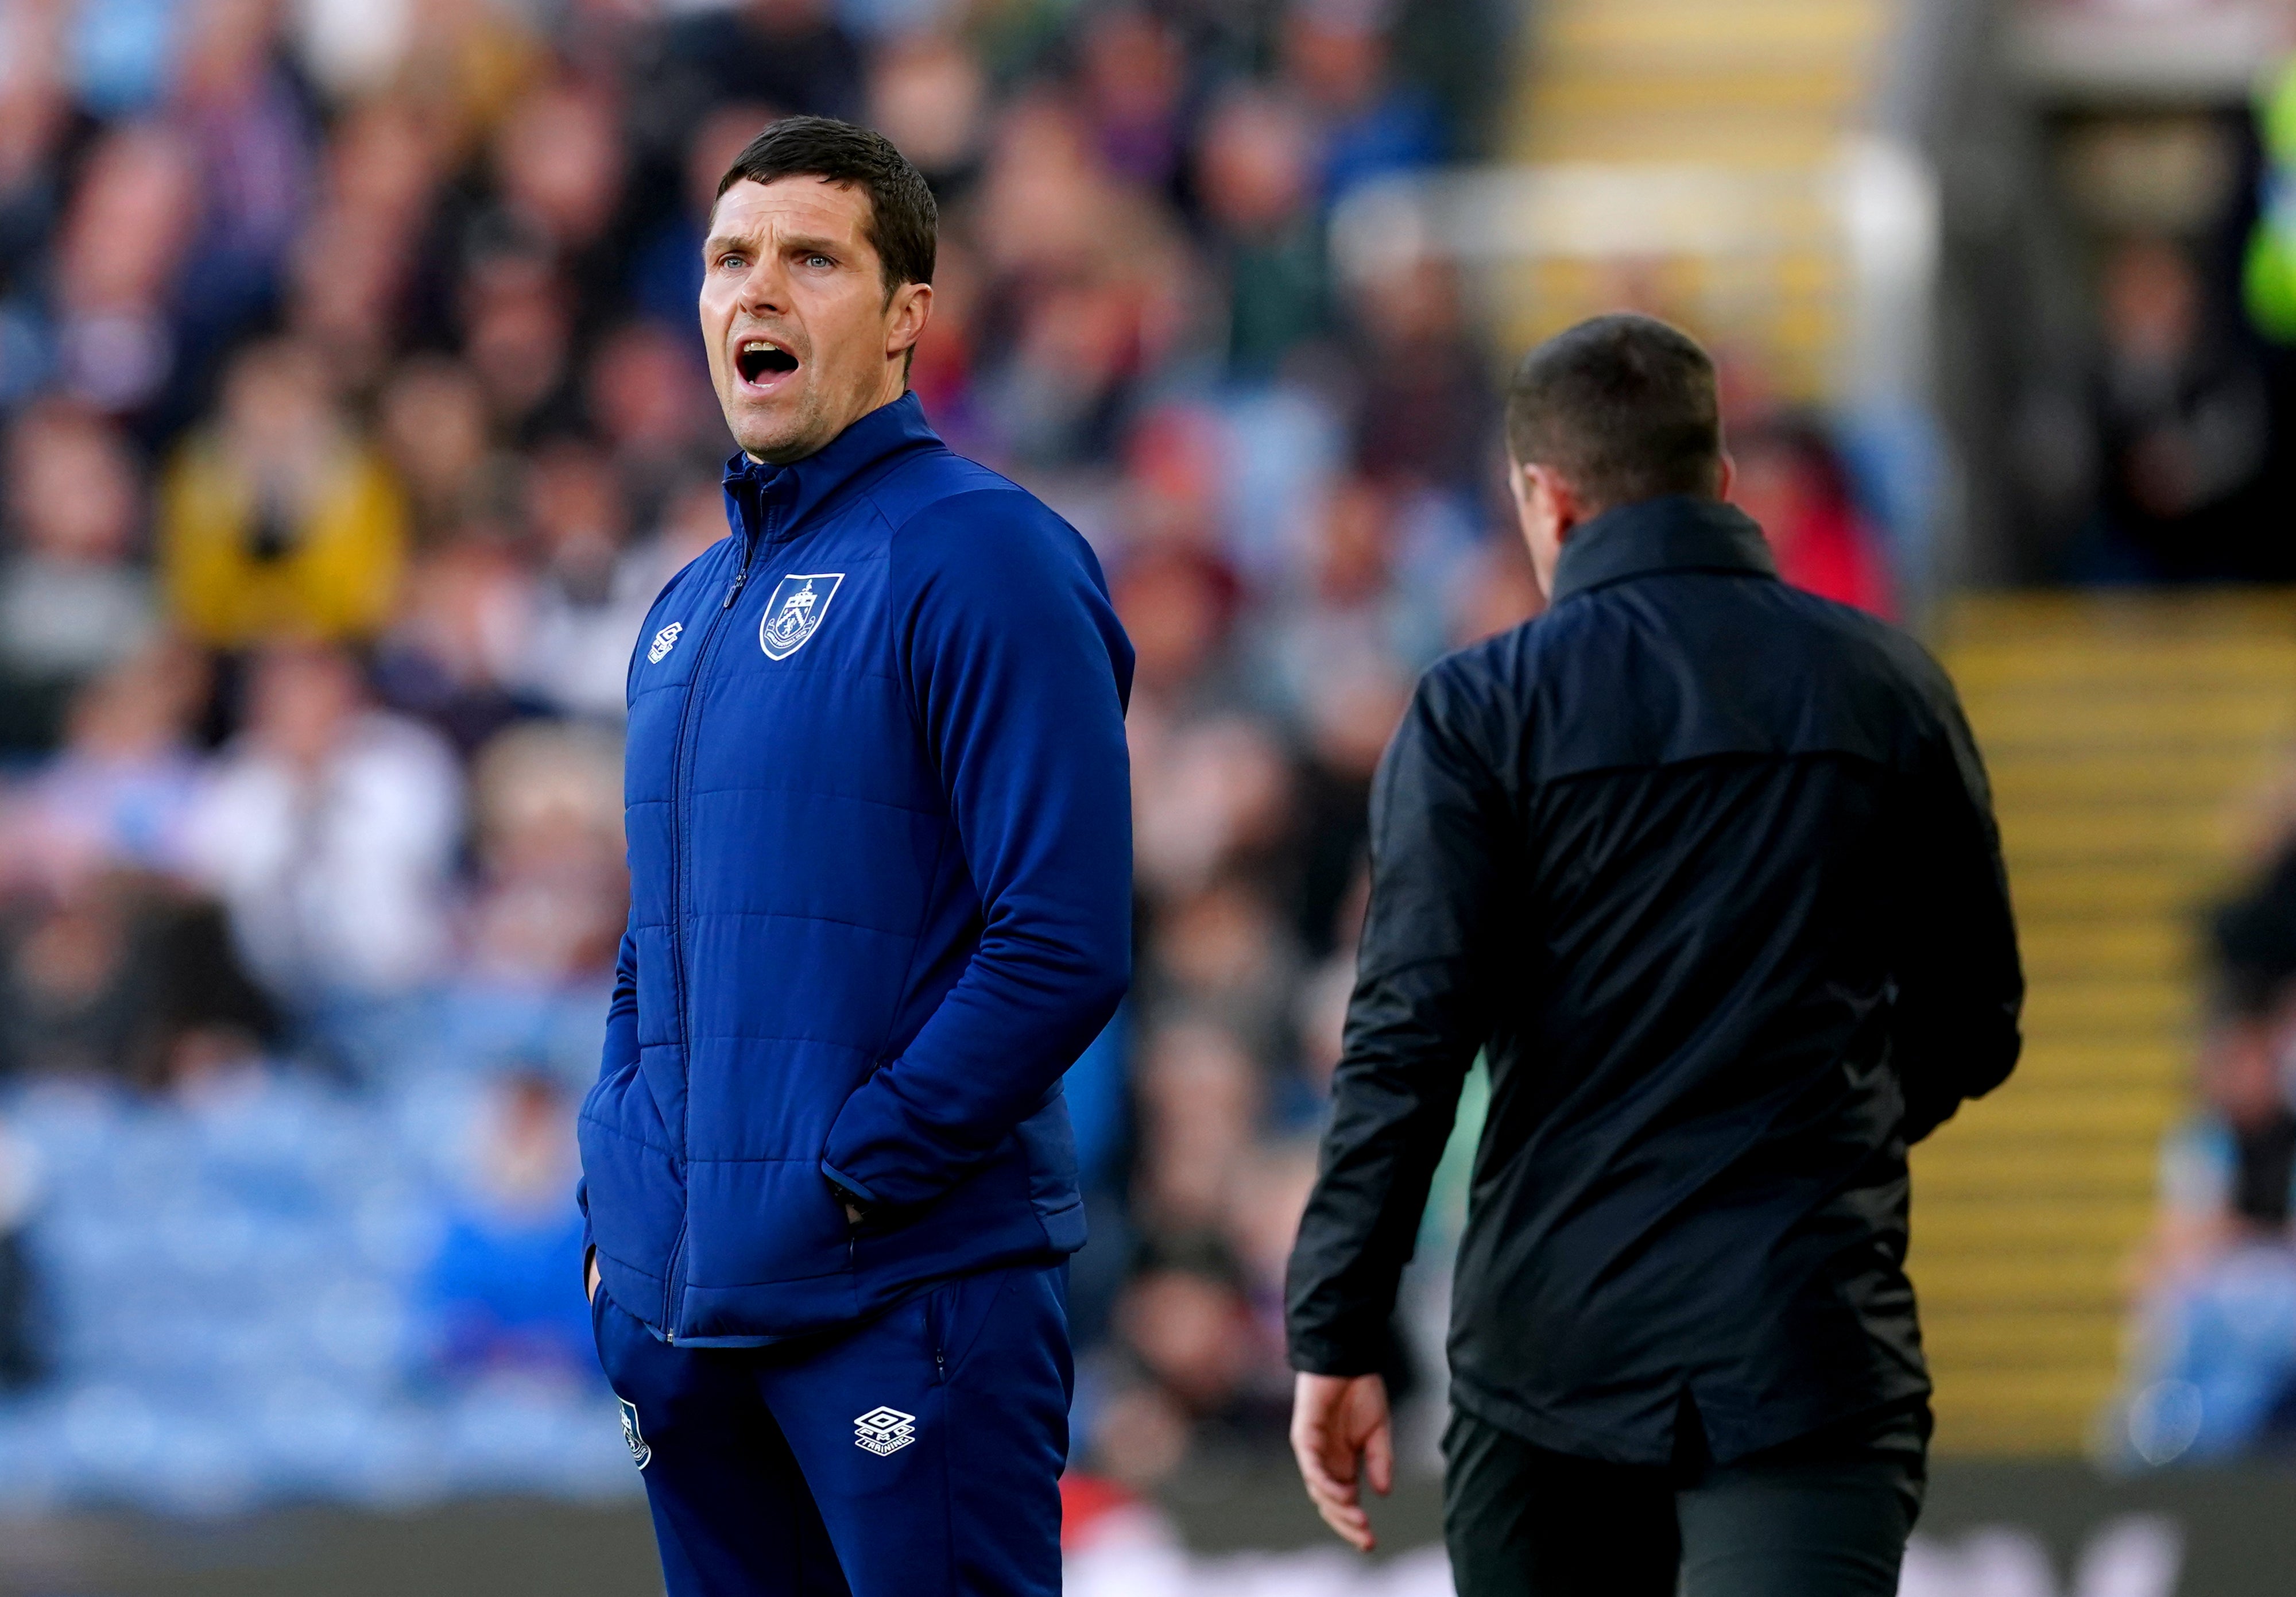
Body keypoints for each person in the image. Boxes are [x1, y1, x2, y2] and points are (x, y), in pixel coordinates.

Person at [1282, 314, 2023, 1595]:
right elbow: (1976, 1014)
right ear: (1721, 481)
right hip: (1804, 1339)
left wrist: (1335, 1326)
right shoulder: (1887, 685)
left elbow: (1403, 1044)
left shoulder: (1476, 711)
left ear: (1543, 498)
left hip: (1548, 1364)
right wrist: (1827, 1120)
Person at [575, 118, 1133, 1597]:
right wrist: (623, 1192)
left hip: (901, 1288)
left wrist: (857, 1174)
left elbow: (1060, 937)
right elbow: (659, 937)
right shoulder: (684, 606)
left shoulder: (986, 554)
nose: (757, 290)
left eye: (810, 258)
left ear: (903, 320)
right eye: (729, 259)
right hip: (685, 1312)